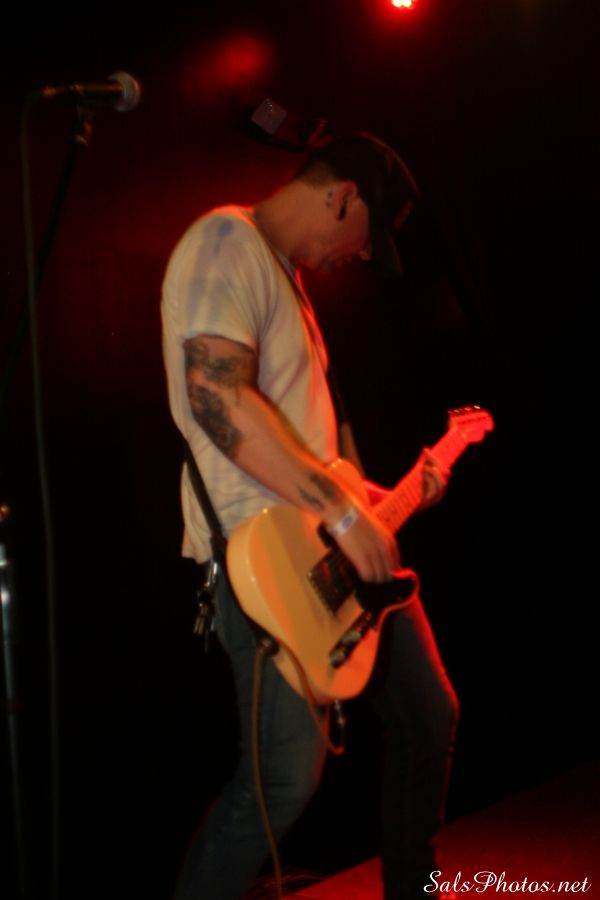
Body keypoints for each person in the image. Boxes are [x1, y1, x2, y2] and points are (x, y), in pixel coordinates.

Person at [161, 132, 459, 900]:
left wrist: (371, 502)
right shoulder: (225, 241)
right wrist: (343, 515)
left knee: (427, 714)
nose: (358, 256)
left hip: (323, 545)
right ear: (341, 197)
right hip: (268, 563)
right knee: (282, 783)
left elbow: (316, 456)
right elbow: (215, 395)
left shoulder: (289, 284)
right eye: (365, 238)